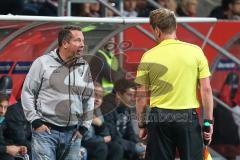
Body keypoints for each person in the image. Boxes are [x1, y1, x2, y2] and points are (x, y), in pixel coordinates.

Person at [135, 8, 214, 160]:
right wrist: (208, 122)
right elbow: (206, 90)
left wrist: (142, 125)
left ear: (157, 30)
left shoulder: (148, 56)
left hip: (159, 119)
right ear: (175, 27)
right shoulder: (195, 52)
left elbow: (141, 96)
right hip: (187, 118)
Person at [21, 25, 94, 160]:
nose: (82, 45)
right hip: (45, 132)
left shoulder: (84, 66)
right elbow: (27, 93)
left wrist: (84, 127)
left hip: (73, 133)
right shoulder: (42, 63)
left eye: (83, 41)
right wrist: (35, 121)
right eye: (78, 40)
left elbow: (89, 98)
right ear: (65, 43)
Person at [103, 78, 146, 160]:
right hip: (109, 145)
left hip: (122, 144)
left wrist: (139, 145)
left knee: (142, 153)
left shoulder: (125, 107)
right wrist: (135, 148)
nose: (133, 99)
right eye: (130, 95)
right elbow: (113, 137)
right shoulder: (107, 108)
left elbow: (130, 133)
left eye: (134, 96)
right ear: (119, 94)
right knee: (118, 148)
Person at [82, 82, 123, 160]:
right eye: (95, 95)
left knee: (116, 148)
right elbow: (84, 138)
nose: (97, 100)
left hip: (95, 143)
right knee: (101, 148)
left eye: (100, 97)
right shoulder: (82, 110)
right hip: (82, 144)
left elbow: (107, 135)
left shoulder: (97, 111)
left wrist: (100, 124)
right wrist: (102, 139)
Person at [0, 93, 27, 160]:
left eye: (5, 107)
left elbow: (2, 142)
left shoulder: (2, 122)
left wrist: (17, 148)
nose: (2, 111)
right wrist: (6, 149)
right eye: (0, 106)